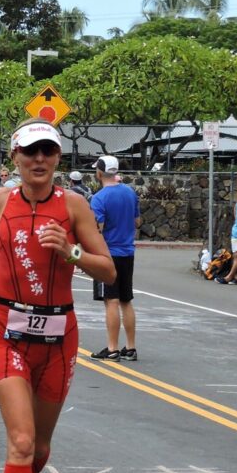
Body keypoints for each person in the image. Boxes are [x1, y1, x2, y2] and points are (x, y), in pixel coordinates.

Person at [0, 120, 115, 473]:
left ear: (58, 158)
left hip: (59, 338)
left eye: (48, 152)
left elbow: (109, 271)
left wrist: (71, 252)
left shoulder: (74, 205)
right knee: (20, 442)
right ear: (14, 157)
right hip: (7, 335)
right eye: (30, 152)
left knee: (39, 449)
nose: (39, 160)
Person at [89, 155, 141, 362]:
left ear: (100, 173)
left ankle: (112, 348)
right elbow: (137, 221)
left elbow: (98, 229)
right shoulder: (130, 193)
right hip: (127, 252)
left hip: (108, 254)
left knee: (111, 300)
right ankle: (131, 347)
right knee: (126, 300)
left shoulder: (99, 198)